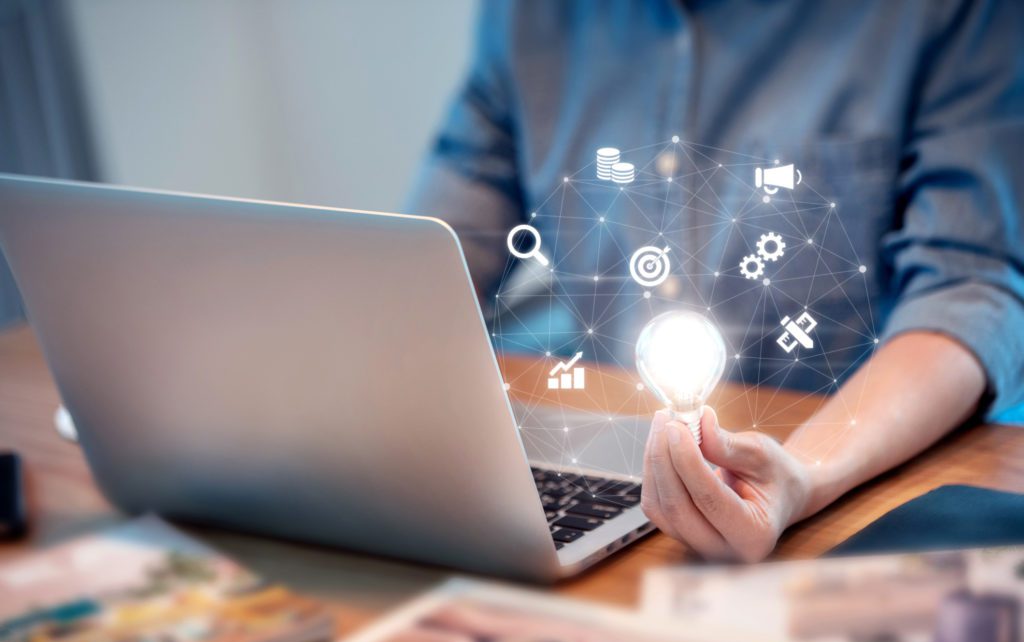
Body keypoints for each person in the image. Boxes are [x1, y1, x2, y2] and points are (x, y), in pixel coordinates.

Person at [405, 1, 1024, 561]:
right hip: (618, 482)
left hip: (856, 498)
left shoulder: (947, 15)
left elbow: (969, 288)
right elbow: (434, 250)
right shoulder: (528, 16)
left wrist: (802, 474)